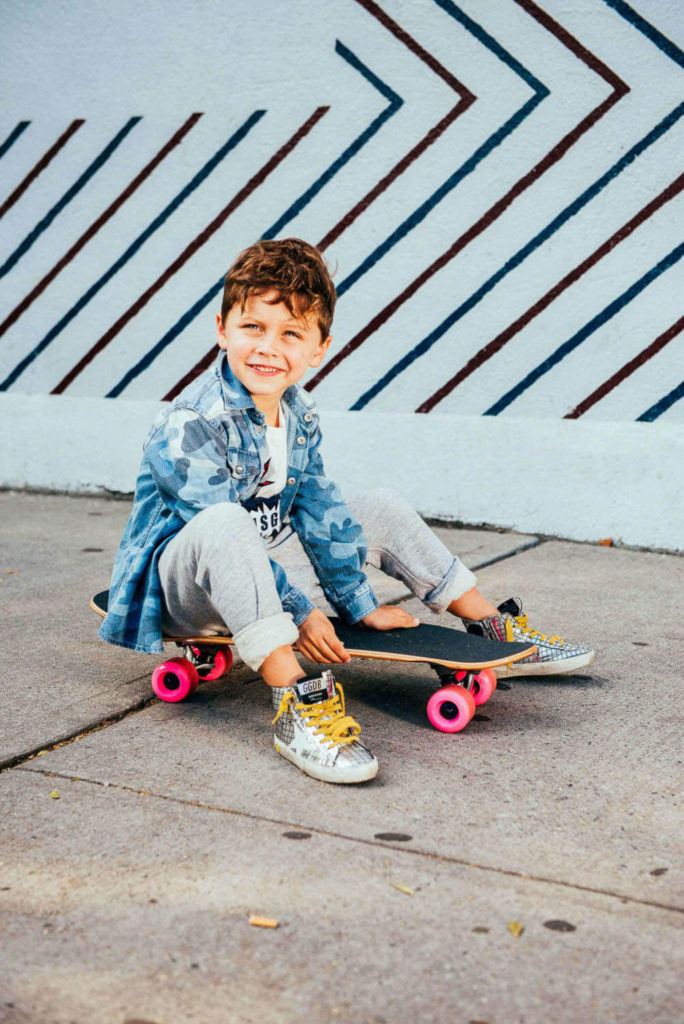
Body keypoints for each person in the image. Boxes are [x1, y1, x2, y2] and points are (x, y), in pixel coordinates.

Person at [100, 238, 594, 785]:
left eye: (291, 334)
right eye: (253, 328)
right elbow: (213, 528)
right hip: (186, 591)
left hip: (266, 573)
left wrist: (356, 604)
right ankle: (297, 702)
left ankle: (491, 629)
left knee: (376, 506)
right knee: (226, 522)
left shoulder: (298, 413)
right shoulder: (188, 423)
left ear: (319, 348)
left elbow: (318, 509)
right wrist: (303, 614)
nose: (268, 348)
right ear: (222, 329)